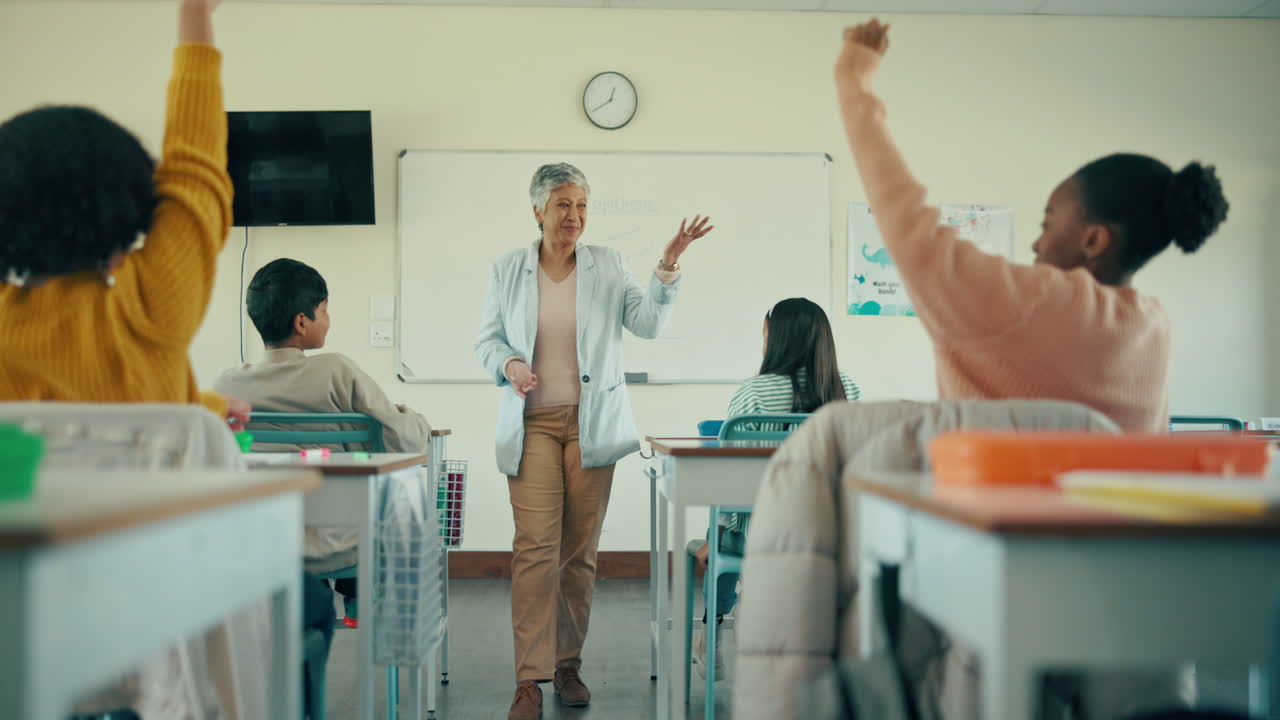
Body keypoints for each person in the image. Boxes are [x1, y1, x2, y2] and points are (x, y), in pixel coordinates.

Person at [834, 19, 1228, 433]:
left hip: (995, 497)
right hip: (1112, 499)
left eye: (1048, 223)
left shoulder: (1030, 302)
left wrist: (853, 78)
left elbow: (906, 220)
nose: (1037, 243)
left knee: (832, 439)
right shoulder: (1155, 326)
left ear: (1094, 240)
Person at [476, 162, 713, 720]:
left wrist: (668, 265)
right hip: (533, 421)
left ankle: (568, 665)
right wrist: (508, 362)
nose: (574, 216)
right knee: (535, 551)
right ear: (538, 210)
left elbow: (648, 323)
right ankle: (529, 679)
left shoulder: (608, 264)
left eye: (581, 205)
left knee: (578, 556)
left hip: (593, 425)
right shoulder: (508, 268)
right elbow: (486, 340)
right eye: (563, 205)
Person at [0, 0, 249, 429]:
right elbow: (194, 169)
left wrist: (202, 405)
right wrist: (196, 12)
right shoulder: (150, 314)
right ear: (131, 210)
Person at [215, 257, 431, 623]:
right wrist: (412, 417)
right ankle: (356, 600)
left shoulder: (226, 385)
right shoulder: (336, 370)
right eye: (324, 311)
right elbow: (406, 440)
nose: (328, 320)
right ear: (302, 322)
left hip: (259, 542)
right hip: (344, 544)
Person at [692, 296, 862, 678]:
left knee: (720, 542)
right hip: (829, 532)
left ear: (778, 339)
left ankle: (712, 633)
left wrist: (716, 533)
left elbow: (735, 478)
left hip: (762, 533)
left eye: (765, 334)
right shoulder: (847, 389)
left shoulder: (754, 392)